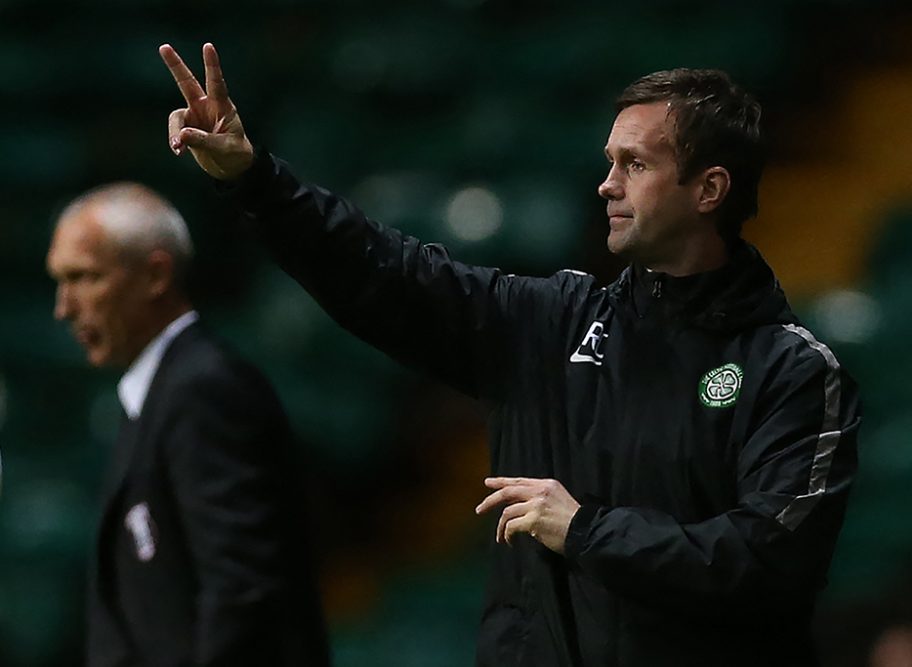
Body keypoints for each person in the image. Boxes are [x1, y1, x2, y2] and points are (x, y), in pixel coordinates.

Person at [160, 42, 861, 666]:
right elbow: (384, 272)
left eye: (635, 164)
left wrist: (586, 529)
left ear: (709, 189)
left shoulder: (792, 372)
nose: (606, 184)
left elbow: (764, 563)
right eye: (608, 162)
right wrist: (254, 179)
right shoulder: (552, 322)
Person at [46, 182, 330, 667]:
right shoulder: (162, 392)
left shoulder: (202, 390)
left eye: (84, 278)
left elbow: (242, 592)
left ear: (156, 275)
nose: (65, 308)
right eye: (60, 281)